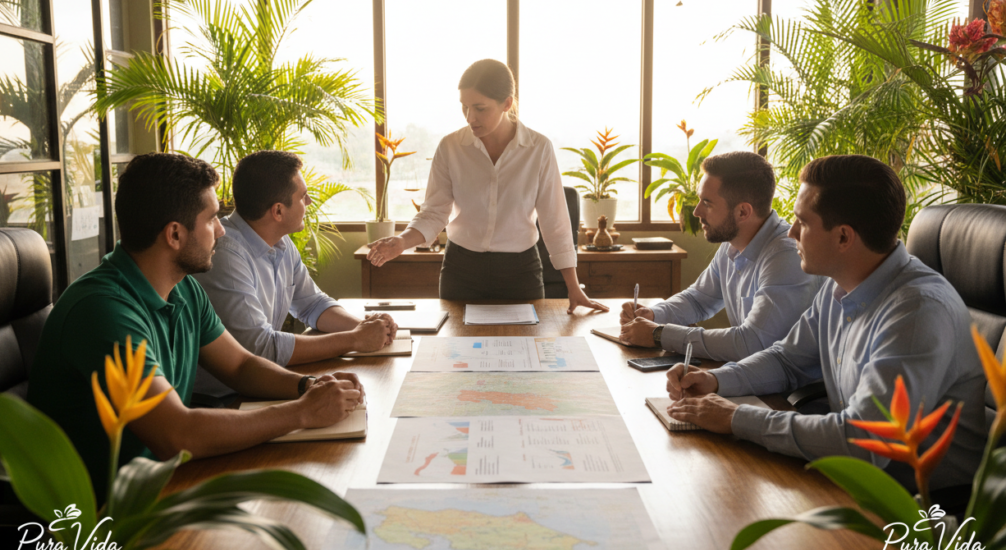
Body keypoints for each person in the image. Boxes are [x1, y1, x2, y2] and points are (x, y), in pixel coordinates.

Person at [28, 153, 364, 493]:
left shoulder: (183, 288)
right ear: (175, 234)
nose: (221, 231)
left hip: (162, 480)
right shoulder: (102, 311)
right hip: (97, 516)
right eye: (212, 219)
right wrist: (301, 413)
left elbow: (241, 365)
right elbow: (176, 434)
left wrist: (307, 386)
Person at [665, 155, 986, 491]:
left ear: (844, 238)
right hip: (854, 482)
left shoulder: (917, 313)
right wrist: (716, 380)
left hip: (923, 508)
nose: (790, 234)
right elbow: (787, 359)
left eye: (802, 223)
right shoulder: (840, 286)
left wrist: (734, 418)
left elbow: (865, 441)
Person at [365, 59, 607, 313]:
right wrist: (402, 242)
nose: (470, 117)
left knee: (524, 349)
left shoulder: (539, 149)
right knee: (456, 350)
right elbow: (435, 212)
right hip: (461, 270)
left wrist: (574, 287)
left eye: (480, 108)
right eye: (465, 107)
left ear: (507, 103)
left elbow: (555, 222)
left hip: (521, 273)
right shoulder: (451, 147)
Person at [192, 150, 395, 399]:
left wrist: (368, 329)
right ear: (278, 211)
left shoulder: (282, 243)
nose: (309, 202)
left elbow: (312, 304)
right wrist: (354, 340)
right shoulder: (226, 254)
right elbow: (260, 347)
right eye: (303, 196)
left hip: (264, 385)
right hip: (225, 399)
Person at [619, 151, 820, 360]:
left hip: (786, 389)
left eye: (707, 203)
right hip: (748, 375)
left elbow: (752, 343)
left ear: (743, 212)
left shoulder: (785, 256)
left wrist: (659, 335)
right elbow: (698, 300)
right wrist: (653, 314)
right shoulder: (731, 243)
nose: (697, 212)